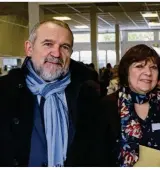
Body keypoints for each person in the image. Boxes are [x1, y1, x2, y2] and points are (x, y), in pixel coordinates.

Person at [0, 20, 105, 166]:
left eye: (65, 47)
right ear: (29, 48)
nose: (56, 53)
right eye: (48, 44)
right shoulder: (4, 92)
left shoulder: (87, 96)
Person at [98, 44, 160, 167]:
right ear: (126, 71)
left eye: (153, 67)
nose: (148, 72)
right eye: (139, 66)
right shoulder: (106, 106)